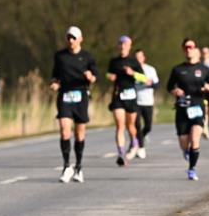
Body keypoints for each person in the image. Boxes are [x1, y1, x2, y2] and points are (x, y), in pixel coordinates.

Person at [50, 26, 99, 183]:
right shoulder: (60, 56)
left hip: (81, 95)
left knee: (79, 134)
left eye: (74, 38)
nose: (70, 40)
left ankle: (79, 167)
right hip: (64, 95)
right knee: (65, 131)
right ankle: (66, 166)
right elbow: (55, 75)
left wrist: (90, 77)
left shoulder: (87, 56)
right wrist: (54, 84)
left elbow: (94, 77)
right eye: (68, 38)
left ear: (80, 39)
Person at [167, 38, 209, 181]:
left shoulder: (205, 70)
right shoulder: (177, 69)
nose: (189, 49)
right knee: (184, 142)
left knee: (195, 139)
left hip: (197, 107)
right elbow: (169, 87)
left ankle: (192, 169)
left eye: (191, 47)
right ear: (184, 49)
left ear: (196, 49)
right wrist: (175, 91)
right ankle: (187, 152)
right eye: (186, 47)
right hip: (182, 108)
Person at [106, 35, 145, 166]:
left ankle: (134, 140)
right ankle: (121, 153)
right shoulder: (114, 61)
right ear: (118, 46)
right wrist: (109, 76)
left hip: (131, 96)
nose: (123, 47)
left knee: (131, 126)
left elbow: (144, 78)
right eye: (121, 44)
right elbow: (108, 73)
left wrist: (132, 73)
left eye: (125, 44)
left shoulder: (134, 62)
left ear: (129, 46)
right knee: (120, 125)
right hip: (118, 95)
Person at [133, 48, 159, 159]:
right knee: (137, 125)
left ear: (144, 58)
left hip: (148, 101)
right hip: (135, 101)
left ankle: (140, 138)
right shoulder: (132, 70)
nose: (138, 60)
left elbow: (157, 85)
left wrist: (150, 83)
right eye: (136, 58)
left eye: (140, 57)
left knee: (148, 126)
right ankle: (141, 148)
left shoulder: (150, 69)